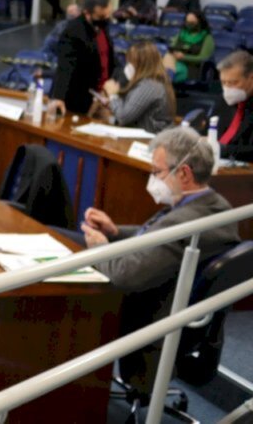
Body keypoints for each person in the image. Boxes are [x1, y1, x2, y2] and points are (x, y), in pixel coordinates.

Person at [80, 127, 239, 395]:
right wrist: (116, 232)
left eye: (157, 172)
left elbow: (124, 276)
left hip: (147, 320)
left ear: (184, 174)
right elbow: (154, 238)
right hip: (184, 321)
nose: (152, 180)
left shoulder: (184, 224)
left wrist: (99, 249)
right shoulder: (215, 205)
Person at [50, 0, 116, 116]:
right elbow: (65, 66)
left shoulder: (103, 27)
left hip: (102, 96)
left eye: (107, 16)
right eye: (101, 17)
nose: (106, 20)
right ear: (87, 14)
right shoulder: (73, 31)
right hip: (80, 98)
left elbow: (108, 57)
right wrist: (59, 97)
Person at [95, 41, 175, 133]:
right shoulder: (150, 82)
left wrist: (113, 95)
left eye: (131, 62)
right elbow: (134, 114)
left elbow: (123, 117)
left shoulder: (150, 85)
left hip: (151, 139)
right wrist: (111, 106)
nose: (128, 66)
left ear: (142, 64)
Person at [215, 50, 253, 162]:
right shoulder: (224, 100)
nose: (227, 88)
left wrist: (222, 149)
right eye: (223, 83)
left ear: (251, 78)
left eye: (233, 83)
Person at [168, 11, 214, 81]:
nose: (189, 24)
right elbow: (171, 48)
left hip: (191, 69)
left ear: (200, 22)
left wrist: (184, 57)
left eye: (192, 23)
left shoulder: (207, 38)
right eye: (187, 22)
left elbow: (203, 58)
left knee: (169, 73)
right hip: (174, 63)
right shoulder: (181, 34)